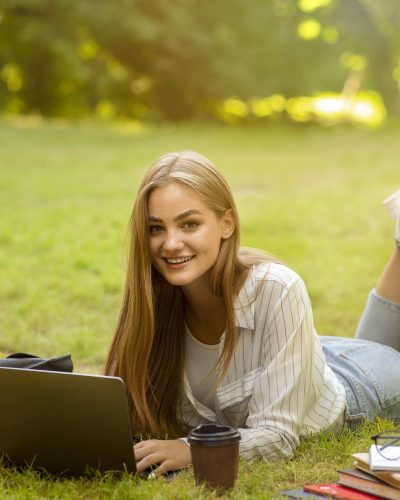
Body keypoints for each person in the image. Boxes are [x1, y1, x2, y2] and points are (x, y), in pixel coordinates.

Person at [104, 151, 400, 477]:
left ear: (226, 224)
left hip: (359, 385)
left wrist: (191, 449)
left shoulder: (277, 288)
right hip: (301, 358)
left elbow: (278, 436)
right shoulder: (152, 299)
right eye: (156, 228)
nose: (171, 243)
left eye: (190, 224)